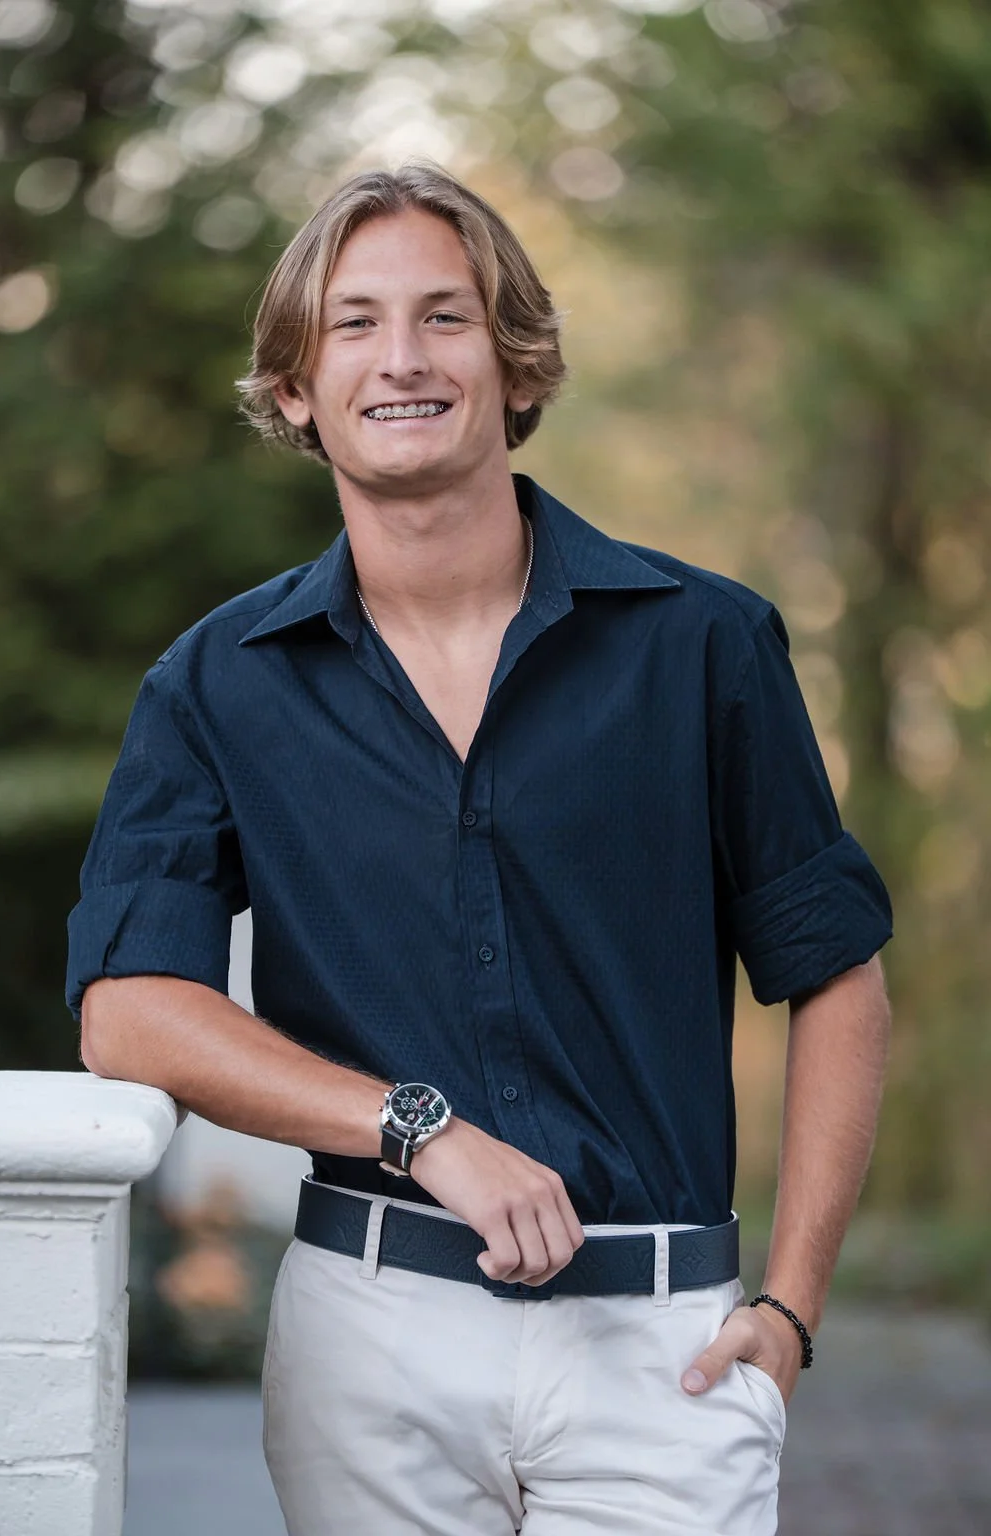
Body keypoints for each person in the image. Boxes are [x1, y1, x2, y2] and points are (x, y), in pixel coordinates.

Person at [67, 162, 893, 1536]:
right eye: (354, 325)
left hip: (663, 1348)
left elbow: (836, 975)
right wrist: (418, 1128)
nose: (402, 359)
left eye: (446, 319)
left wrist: (793, 1309)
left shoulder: (705, 644)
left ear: (516, 369)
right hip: (370, 1337)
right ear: (293, 391)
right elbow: (130, 1012)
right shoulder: (215, 684)